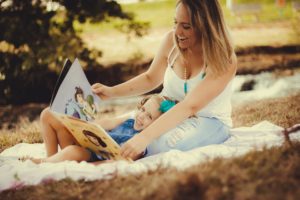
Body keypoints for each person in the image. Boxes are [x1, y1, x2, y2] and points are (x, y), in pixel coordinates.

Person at [91, 0, 237, 159]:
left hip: (207, 120)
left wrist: (145, 137)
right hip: (163, 112)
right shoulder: (171, 41)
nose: (178, 31)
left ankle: (102, 163)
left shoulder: (225, 60)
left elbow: (189, 107)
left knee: (156, 145)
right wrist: (111, 92)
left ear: (206, 26)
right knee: (107, 128)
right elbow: (150, 78)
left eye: (186, 26)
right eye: (176, 23)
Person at [24, 95, 176, 164]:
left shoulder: (140, 144)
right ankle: (51, 158)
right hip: (84, 141)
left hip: (90, 156)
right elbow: (106, 123)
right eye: (142, 110)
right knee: (47, 113)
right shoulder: (129, 120)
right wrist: (80, 124)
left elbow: (119, 162)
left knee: (72, 151)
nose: (141, 116)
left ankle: (41, 163)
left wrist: (93, 167)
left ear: (158, 124)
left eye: (148, 116)